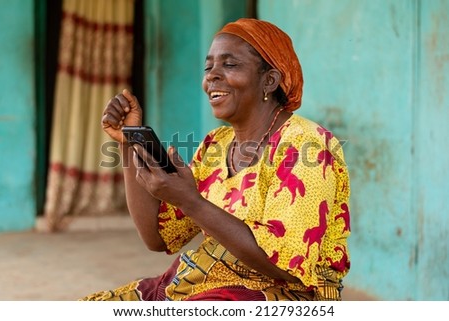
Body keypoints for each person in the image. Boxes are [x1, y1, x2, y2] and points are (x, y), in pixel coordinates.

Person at [82, 18, 351, 301]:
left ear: (270, 80)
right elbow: (157, 238)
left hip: (281, 295)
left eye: (230, 64)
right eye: (208, 66)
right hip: (200, 281)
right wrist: (128, 141)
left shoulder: (307, 144)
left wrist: (190, 200)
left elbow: (284, 267)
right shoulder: (215, 145)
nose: (212, 75)